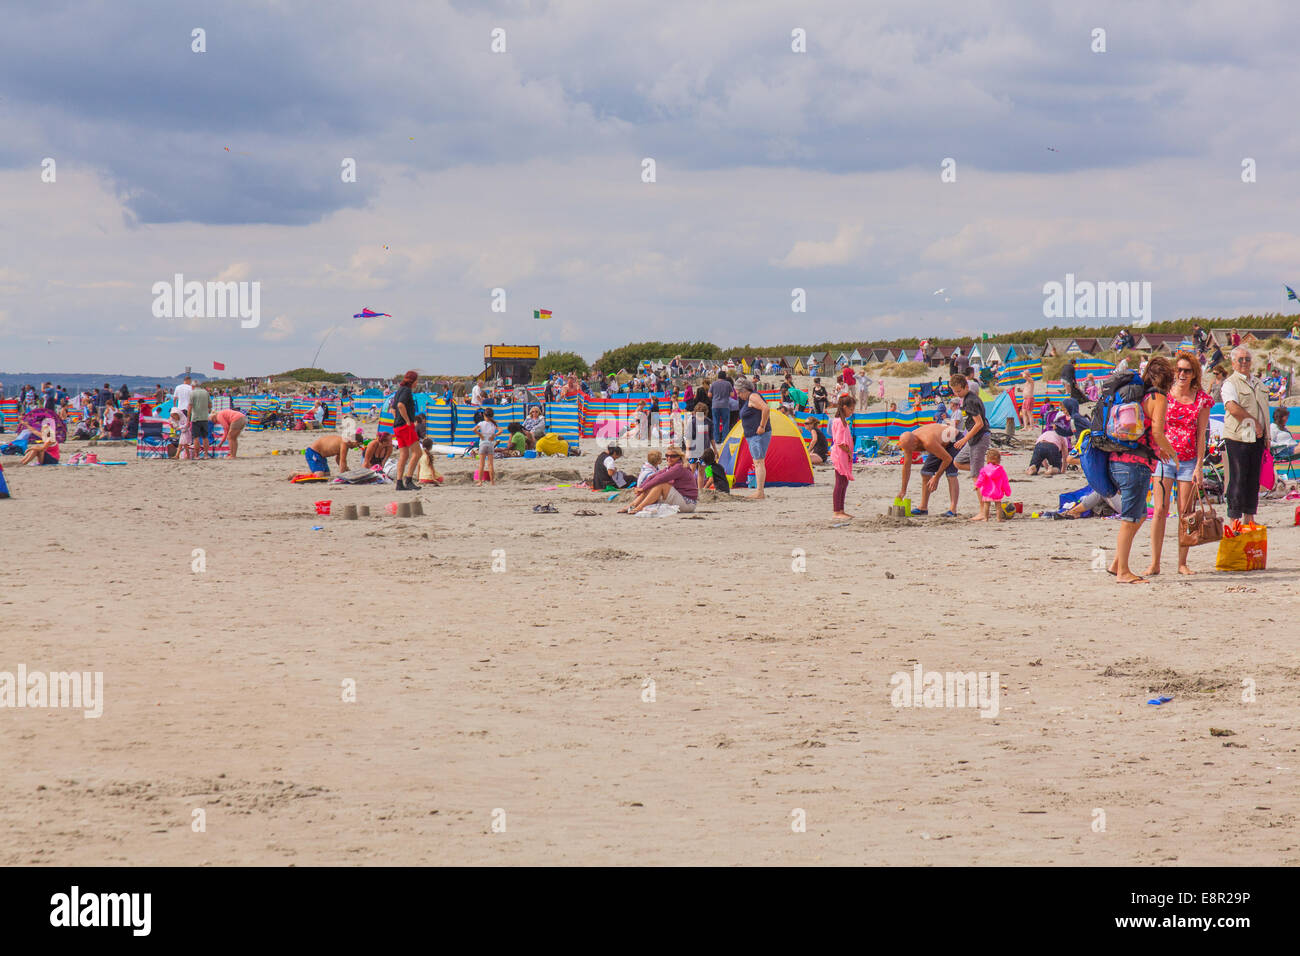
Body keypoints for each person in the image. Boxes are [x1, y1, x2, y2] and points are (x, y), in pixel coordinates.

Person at [1106, 356, 1178, 584]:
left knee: (1137, 516)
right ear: (1168, 378)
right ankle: (1123, 573)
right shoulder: (1158, 397)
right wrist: (1170, 452)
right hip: (1134, 464)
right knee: (1130, 518)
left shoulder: (1141, 395)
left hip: (1118, 460)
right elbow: (1157, 432)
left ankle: (1117, 563)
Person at [1148, 352, 1213, 575]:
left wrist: (1199, 467)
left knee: (1185, 513)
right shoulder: (1165, 393)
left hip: (1188, 461)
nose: (1182, 374)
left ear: (1194, 373)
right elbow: (1155, 425)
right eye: (1179, 369)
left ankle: (1182, 563)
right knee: (1159, 510)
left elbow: (1201, 435)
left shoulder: (1201, 399)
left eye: (1187, 370)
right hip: (1164, 459)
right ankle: (1155, 563)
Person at [1220, 346, 1271, 527]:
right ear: (1233, 362)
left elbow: (1264, 411)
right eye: (1240, 359)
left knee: (1253, 478)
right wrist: (1253, 422)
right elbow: (1233, 408)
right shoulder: (1229, 384)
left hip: (1257, 438)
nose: (1244, 362)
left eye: (1247, 359)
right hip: (1238, 437)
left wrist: (1267, 437)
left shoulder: (1258, 383)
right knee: (1238, 477)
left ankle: (1250, 517)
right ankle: (1234, 517)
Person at [899, 422, 960, 516]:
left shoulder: (928, 442)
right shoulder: (908, 441)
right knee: (925, 472)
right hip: (940, 442)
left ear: (915, 443)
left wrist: (936, 477)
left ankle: (953, 510)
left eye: (911, 449)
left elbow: (947, 459)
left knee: (950, 473)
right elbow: (906, 467)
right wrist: (903, 490)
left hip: (954, 439)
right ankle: (923, 507)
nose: (909, 452)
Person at [620, 445, 697, 514]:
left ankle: (639, 507)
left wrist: (643, 488)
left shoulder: (679, 467)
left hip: (688, 503)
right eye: (667, 456)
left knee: (661, 484)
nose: (669, 458)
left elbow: (660, 478)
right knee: (652, 484)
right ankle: (632, 506)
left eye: (673, 456)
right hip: (680, 498)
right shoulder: (671, 467)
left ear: (679, 457)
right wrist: (641, 488)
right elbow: (652, 477)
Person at [950, 374, 989, 506]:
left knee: (975, 476)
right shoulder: (965, 399)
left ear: (966, 387)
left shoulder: (970, 400)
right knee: (957, 462)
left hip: (980, 438)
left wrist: (964, 439)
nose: (957, 394)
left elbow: (979, 424)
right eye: (954, 391)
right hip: (973, 439)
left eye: (959, 391)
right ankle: (985, 471)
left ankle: (983, 511)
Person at [735, 378, 771, 500]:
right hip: (753, 435)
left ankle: (760, 492)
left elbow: (766, 408)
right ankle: (759, 491)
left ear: (745, 390)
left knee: (758, 462)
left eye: (739, 393)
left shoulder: (752, 397)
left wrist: (762, 426)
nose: (739, 396)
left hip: (757, 435)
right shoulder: (750, 398)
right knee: (758, 462)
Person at [389, 370, 420, 491]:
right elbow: (401, 405)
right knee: (417, 453)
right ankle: (409, 479)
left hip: (397, 427)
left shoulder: (399, 390)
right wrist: (407, 421)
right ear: (413, 381)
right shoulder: (406, 391)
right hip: (405, 426)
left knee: (404, 455)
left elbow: (393, 409)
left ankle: (399, 482)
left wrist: (397, 419)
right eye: (417, 380)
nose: (417, 383)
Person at [830, 394, 855, 519]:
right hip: (840, 455)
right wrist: (849, 452)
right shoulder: (839, 422)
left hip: (843, 455)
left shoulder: (842, 421)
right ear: (844, 407)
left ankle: (841, 509)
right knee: (840, 482)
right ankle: (837, 511)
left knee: (844, 482)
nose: (852, 412)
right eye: (851, 409)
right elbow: (840, 442)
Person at [973, 448, 1011, 522]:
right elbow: (1005, 481)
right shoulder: (1001, 470)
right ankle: (999, 519)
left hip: (987, 492)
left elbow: (980, 479)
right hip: (997, 492)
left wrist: (977, 485)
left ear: (987, 459)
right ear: (999, 460)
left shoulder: (984, 469)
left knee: (986, 505)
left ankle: (986, 518)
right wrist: (1007, 491)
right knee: (998, 506)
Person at [474, 407, 498, 486]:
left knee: (481, 464)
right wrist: (494, 435)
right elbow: (501, 430)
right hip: (490, 444)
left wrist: (480, 434)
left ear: (484, 415)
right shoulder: (493, 424)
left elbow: (473, 429)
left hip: (483, 443)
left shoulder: (481, 423)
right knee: (490, 464)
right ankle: (492, 482)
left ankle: (480, 481)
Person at [189, 381, 211, 459]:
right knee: (205, 437)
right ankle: (205, 455)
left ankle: (197, 455)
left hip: (195, 418)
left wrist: (188, 419)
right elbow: (210, 405)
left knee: (196, 438)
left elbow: (190, 407)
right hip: (205, 418)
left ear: (193, 386)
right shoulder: (206, 392)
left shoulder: (192, 393)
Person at [709, 373, 733, 443]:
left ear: (718, 376)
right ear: (725, 377)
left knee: (715, 422)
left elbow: (709, 394)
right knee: (725, 422)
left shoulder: (713, 384)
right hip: (725, 405)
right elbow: (732, 394)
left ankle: (716, 439)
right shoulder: (728, 384)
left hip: (715, 405)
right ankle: (724, 439)